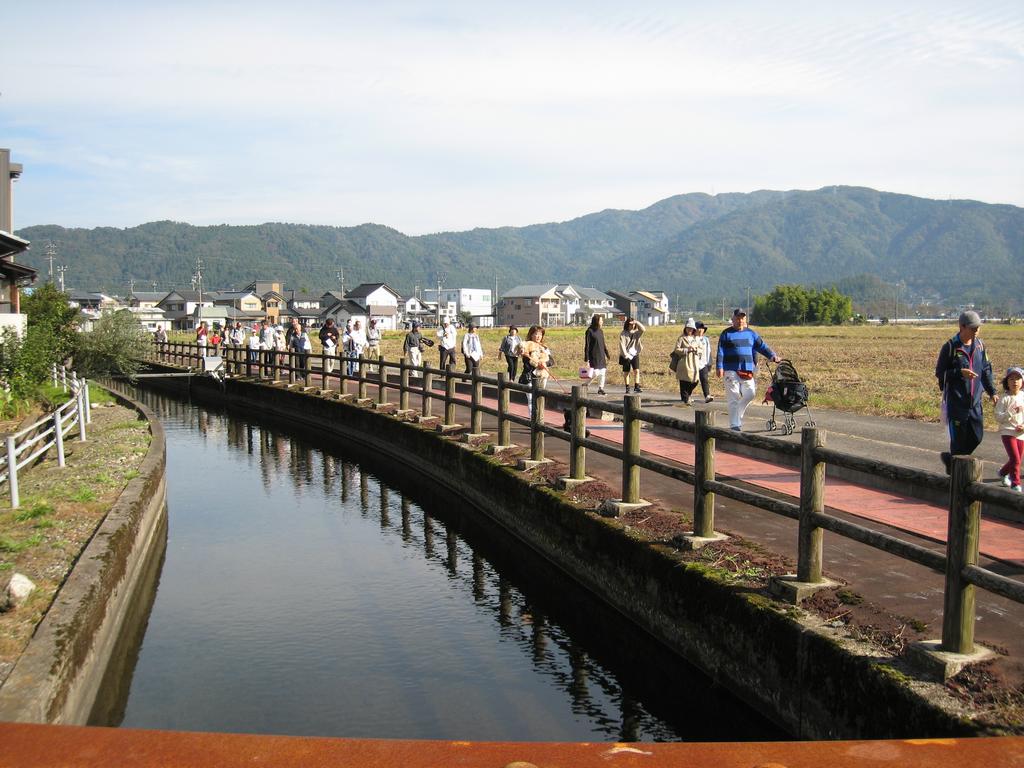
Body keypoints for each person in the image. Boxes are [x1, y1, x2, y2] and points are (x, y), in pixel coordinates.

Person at [936, 310, 996, 473]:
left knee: (977, 436)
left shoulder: (980, 346)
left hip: (975, 403)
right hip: (957, 404)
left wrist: (992, 391)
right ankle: (955, 476)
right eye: (973, 327)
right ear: (962, 327)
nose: (976, 330)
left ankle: (952, 460)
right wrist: (959, 373)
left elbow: (986, 370)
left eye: (978, 327)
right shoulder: (950, 347)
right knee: (958, 442)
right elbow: (940, 373)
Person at [716, 309, 779, 431]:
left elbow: (762, 346)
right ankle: (735, 425)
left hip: (747, 369)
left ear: (745, 320)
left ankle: (737, 414)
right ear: (733, 319)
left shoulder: (751, 334)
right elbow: (720, 351)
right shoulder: (726, 334)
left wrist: (772, 356)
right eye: (738, 318)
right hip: (730, 369)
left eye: (742, 318)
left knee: (750, 393)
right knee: (733, 396)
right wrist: (719, 367)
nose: (740, 321)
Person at [995, 366, 1024, 492]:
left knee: (1016, 459)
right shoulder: (1004, 398)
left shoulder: (1023, 396)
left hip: (1021, 433)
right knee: (1015, 459)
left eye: (1018, 379)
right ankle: (1015, 484)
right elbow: (998, 417)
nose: (1015, 382)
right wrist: (1010, 412)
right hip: (1008, 431)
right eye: (1011, 379)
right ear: (1007, 382)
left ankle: (1002, 472)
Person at [672, 318, 704, 404]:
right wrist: (686, 349)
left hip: (694, 362)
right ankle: (685, 399)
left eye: (691, 328)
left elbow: (701, 349)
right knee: (684, 381)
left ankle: (687, 396)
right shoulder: (681, 338)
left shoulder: (696, 338)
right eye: (688, 328)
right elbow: (676, 350)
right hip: (684, 362)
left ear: (694, 329)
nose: (690, 330)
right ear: (685, 328)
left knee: (695, 380)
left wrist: (695, 349)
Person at [521, 325, 551, 413]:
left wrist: (543, 364)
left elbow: (551, 361)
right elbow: (526, 362)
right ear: (531, 335)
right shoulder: (526, 345)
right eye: (535, 334)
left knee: (540, 398)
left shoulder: (544, 347)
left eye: (540, 334)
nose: (538, 336)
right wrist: (536, 363)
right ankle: (533, 420)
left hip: (542, 375)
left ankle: (539, 420)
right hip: (530, 376)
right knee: (531, 399)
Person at [584, 315, 610, 396]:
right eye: (601, 320)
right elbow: (587, 345)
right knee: (595, 373)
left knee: (602, 372)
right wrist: (587, 359)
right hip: (593, 355)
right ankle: (585, 385)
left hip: (601, 354)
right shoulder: (589, 331)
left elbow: (603, 343)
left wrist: (607, 353)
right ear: (596, 321)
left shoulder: (601, 331)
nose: (602, 322)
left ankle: (600, 388)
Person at [618, 317, 645, 393]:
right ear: (627, 324)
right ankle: (627, 387)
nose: (632, 326)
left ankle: (637, 386)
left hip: (635, 353)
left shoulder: (636, 332)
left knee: (636, 370)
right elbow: (622, 344)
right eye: (630, 324)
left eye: (633, 324)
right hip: (626, 355)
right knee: (626, 372)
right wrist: (625, 355)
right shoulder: (623, 333)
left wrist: (636, 322)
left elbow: (643, 329)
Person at [695, 321, 714, 403]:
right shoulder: (692, 338)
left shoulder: (706, 339)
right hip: (693, 363)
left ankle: (707, 396)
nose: (700, 330)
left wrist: (710, 362)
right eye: (699, 328)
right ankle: (686, 395)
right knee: (693, 381)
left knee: (704, 379)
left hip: (704, 363)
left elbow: (708, 351)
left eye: (702, 329)